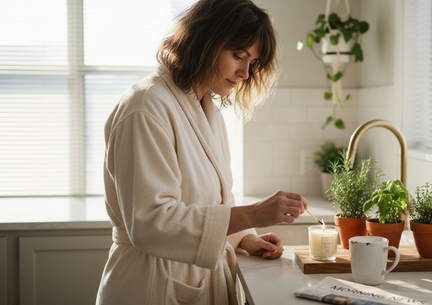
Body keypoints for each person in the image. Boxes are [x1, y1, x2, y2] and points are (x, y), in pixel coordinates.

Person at [95, 0, 308, 304]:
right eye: (239, 56)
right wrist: (254, 213)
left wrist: (245, 238)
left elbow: (214, 201)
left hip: (193, 280)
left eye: (252, 63)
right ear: (205, 41)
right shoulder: (146, 107)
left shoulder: (208, 110)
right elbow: (150, 223)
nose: (245, 73)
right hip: (150, 285)